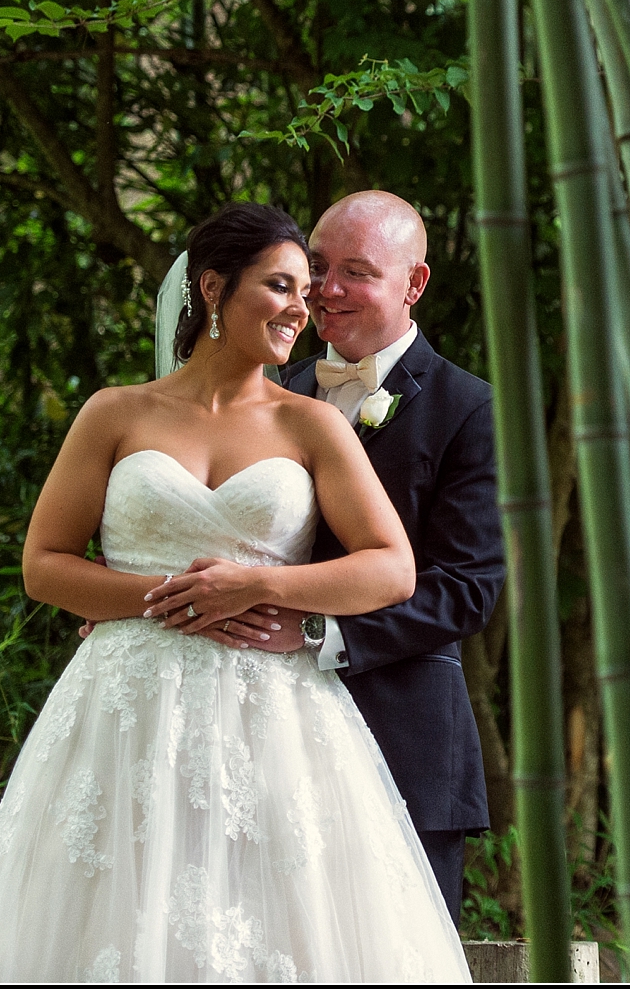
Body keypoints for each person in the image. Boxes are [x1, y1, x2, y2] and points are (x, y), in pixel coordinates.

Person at [0, 203, 470, 984]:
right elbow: (45, 565)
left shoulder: (313, 425)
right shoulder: (115, 414)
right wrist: (168, 597)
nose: (303, 305)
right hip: (126, 708)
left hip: (274, 717)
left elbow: (391, 567)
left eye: (307, 287)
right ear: (214, 289)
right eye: (282, 285)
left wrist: (257, 584)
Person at [214, 190, 503, 922]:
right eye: (316, 267)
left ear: (414, 285)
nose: (328, 289)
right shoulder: (269, 389)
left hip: (403, 733)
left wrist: (316, 632)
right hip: (253, 729)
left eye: (357, 272)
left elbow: (467, 589)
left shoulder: (471, 410)